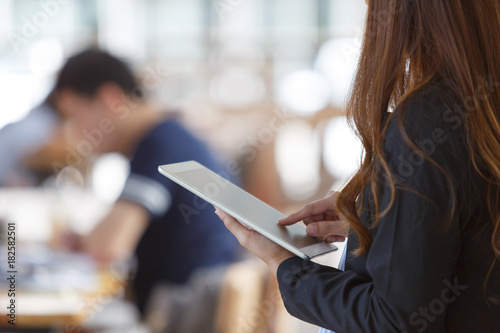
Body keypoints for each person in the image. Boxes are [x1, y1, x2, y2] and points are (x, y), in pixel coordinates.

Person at [215, 0, 500, 332]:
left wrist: (285, 265)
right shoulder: (481, 109)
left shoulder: (425, 121)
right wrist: (378, 216)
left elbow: (395, 323)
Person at [55, 49, 240, 314]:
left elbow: (108, 248)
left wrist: (92, 241)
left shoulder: (160, 144)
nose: (74, 132)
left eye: (74, 116)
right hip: (192, 308)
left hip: (184, 317)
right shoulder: (169, 136)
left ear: (110, 99)